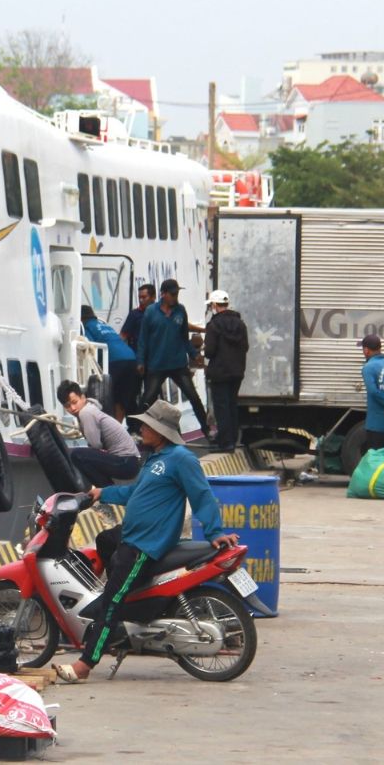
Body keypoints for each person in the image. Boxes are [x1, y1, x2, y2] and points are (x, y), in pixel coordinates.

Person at [54, 400, 239, 683]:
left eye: (146, 425)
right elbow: (134, 494)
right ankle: (125, 604)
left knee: (112, 602)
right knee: (105, 540)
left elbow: (201, 495)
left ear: (161, 431)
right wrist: (101, 493)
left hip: (145, 544)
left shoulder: (181, 459)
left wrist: (215, 532)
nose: (140, 429)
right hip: (130, 535)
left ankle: (84, 665)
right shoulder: (156, 458)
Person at [137, 278, 211, 443]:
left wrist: (193, 354)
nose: (175, 297)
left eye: (177, 294)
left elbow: (184, 338)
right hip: (156, 364)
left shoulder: (180, 310)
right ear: (163, 295)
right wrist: (140, 361)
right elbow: (143, 339)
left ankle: (206, 430)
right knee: (147, 399)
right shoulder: (151, 312)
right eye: (172, 294)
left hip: (178, 364)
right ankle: (137, 429)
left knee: (193, 396)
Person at [56, 379, 141, 486]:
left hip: (126, 462)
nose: (72, 408)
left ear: (82, 397)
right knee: (84, 456)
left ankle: (108, 493)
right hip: (131, 462)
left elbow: (95, 445)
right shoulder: (90, 408)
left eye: (74, 402)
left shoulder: (86, 412)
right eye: (67, 406)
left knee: (77, 455)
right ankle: (108, 491)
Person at [202, 290, 249, 452]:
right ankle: (234, 440)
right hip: (237, 372)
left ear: (215, 305)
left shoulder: (213, 325)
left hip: (219, 372)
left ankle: (225, 442)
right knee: (232, 404)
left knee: (221, 407)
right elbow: (246, 347)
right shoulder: (241, 324)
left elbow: (209, 351)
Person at [80, 305, 139, 419]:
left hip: (114, 361)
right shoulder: (105, 325)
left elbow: (90, 345)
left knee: (106, 398)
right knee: (121, 398)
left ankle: (109, 428)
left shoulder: (86, 327)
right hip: (131, 358)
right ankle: (119, 428)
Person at [120, 283, 156, 356]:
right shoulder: (134, 314)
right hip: (139, 356)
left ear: (153, 297)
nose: (141, 300)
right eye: (139, 297)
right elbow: (123, 336)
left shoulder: (160, 313)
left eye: (144, 297)